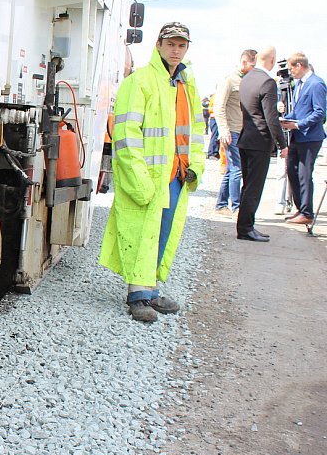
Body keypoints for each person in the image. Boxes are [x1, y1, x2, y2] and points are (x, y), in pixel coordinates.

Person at [99, 22, 206, 323]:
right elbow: (126, 134)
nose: (176, 50)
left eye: (181, 45)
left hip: (176, 176)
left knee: (161, 234)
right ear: (159, 45)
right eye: (171, 44)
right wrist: (138, 178)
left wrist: (195, 167)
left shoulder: (186, 86)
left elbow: (195, 132)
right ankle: (137, 295)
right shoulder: (140, 81)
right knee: (141, 233)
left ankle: (151, 289)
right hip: (149, 177)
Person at [236, 47, 288, 242]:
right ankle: (245, 228)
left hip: (246, 138)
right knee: (254, 188)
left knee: (247, 186)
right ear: (272, 60)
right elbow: (271, 117)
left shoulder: (246, 78)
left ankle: (246, 225)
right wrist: (282, 144)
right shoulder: (267, 82)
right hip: (259, 141)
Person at [280, 54, 326, 225]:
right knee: (292, 172)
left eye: (291, 68)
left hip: (310, 137)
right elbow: (299, 111)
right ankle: (301, 209)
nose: (290, 72)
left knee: (304, 174)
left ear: (299, 65)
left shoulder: (316, 84)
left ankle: (307, 212)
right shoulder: (300, 84)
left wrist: (298, 124)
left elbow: (319, 112)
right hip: (297, 136)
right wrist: (285, 119)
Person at [213, 49, 257, 214]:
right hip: (231, 131)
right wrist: (223, 130)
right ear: (244, 62)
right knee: (237, 169)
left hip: (242, 131)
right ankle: (237, 207)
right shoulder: (230, 80)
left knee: (232, 169)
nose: (254, 69)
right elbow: (219, 106)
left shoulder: (248, 81)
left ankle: (221, 204)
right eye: (253, 65)